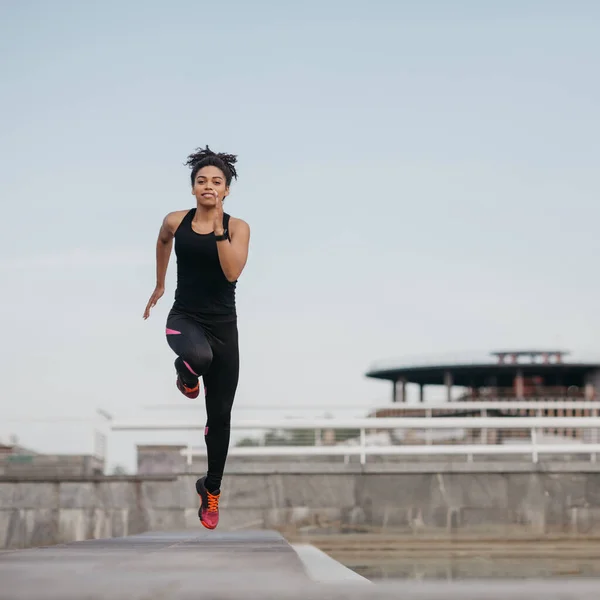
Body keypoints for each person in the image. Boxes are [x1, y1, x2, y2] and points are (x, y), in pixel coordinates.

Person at [143, 146, 250, 530]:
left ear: (226, 191)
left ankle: (211, 490)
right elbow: (162, 240)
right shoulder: (176, 220)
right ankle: (185, 376)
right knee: (197, 359)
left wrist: (219, 228)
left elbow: (232, 271)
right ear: (193, 189)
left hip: (224, 329)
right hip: (184, 319)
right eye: (202, 181)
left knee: (220, 417)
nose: (209, 186)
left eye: (216, 182)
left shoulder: (237, 228)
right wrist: (159, 282)